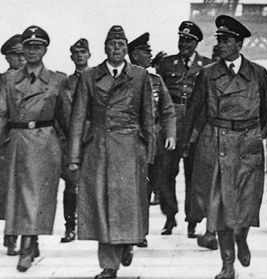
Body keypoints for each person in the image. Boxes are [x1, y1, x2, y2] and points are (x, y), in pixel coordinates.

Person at [183, 15, 267, 279]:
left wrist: (253, 134)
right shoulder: (208, 74)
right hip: (218, 141)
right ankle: (228, 263)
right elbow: (194, 109)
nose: (220, 44)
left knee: (246, 203)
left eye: (226, 40)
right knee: (221, 206)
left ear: (239, 43)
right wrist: (185, 143)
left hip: (248, 143)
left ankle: (241, 237)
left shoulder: (258, 73)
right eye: (218, 40)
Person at [67, 25, 155, 279]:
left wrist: (150, 149)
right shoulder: (89, 77)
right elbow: (78, 118)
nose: (117, 49)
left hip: (130, 149)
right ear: (105, 48)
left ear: (126, 49)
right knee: (102, 205)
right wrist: (74, 157)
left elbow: (147, 115)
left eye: (122, 45)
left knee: (127, 204)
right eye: (112, 44)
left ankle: (127, 242)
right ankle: (109, 264)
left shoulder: (139, 76)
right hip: (100, 148)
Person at [0, 26, 69, 272]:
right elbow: (1, 114)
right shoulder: (8, 80)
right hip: (18, 140)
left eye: (37, 47)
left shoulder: (58, 80)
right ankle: (30, 240)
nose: (32, 51)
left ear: (45, 50)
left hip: (45, 142)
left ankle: (28, 246)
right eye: (28, 47)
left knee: (38, 196)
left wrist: (73, 154)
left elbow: (67, 119)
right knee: (20, 197)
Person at [157, 21, 212, 238]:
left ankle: (193, 219)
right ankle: (170, 215)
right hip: (171, 124)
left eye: (189, 40)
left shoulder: (207, 66)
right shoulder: (166, 64)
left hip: (195, 124)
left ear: (197, 42)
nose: (184, 43)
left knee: (194, 174)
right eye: (181, 39)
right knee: (166, 172)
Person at [127, 32, 176, 246]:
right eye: (145, 51)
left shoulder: (156, 80)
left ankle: (161, 221)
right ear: (134, 55)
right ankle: (137, 231)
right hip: (133, 140)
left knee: (157, 183)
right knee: (138, 188)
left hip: (155, 141)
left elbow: (168, 109)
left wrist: (171, 134)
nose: (149, 54)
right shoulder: (124, 80)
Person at [61, 37, 91, 244]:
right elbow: (62, 112)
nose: (79, 56)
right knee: (71, 185)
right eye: (76, 53)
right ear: (71, 56)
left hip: (92, 139)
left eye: (83, 53)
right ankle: (70, 226)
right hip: (71, 139)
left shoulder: (97, 78)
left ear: (89, 55)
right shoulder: (66, 83)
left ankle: (90, 225)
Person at [0, 34, 26, 256]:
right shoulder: (2, 82)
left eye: (23, 54)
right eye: (17, 55)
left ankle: (12, 236)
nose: (22, 59)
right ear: (7, 57)